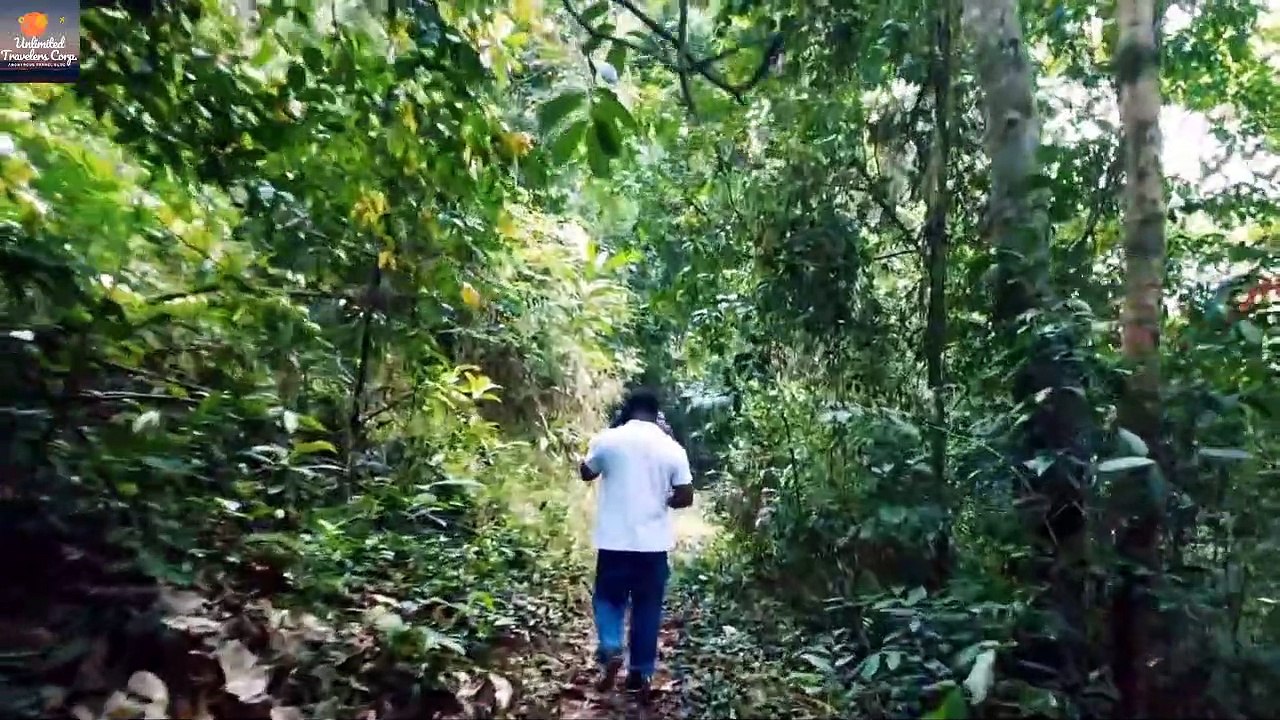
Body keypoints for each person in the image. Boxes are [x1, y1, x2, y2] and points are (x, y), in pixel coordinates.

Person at [579, 387, 694, 697]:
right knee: (647, 609)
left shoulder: (608, 439)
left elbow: (586, 473)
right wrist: (662, 498)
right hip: (653, 546)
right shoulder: (672, 447)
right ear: (656, 414)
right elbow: (685, 497)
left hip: (613, 542)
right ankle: (639, 675)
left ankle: (611, 645)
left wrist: (602, 448)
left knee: (607, 598)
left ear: (627, 410)